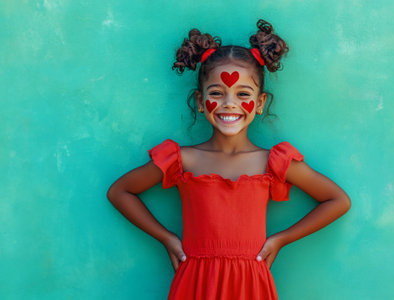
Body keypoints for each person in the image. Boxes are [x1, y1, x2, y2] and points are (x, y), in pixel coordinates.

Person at [107, 19, 351, 300]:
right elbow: (119, 191)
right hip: (196, 284)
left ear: (260, 104)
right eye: (216, 93)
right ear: (200, 101)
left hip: (250, 284)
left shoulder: (272, 162)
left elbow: (338, 201)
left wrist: (281, 239)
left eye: (243, 94)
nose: (229, 104)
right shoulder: (183, 159)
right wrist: (167, 238)